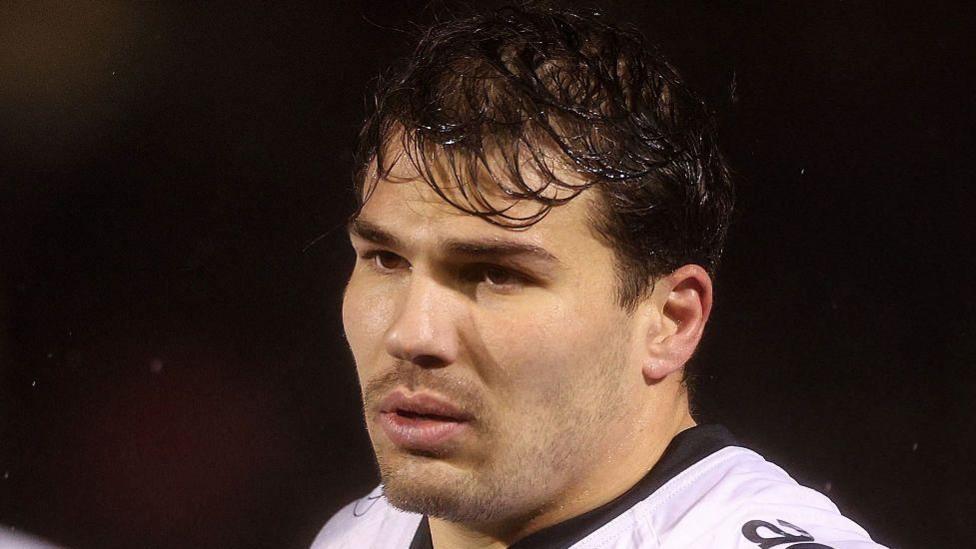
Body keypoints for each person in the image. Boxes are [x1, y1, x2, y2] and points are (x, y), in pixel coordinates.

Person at [311, 4, 886, 548]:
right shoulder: (356, 535)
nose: (411, 334)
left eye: (494, 274)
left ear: (670, 321)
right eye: (387, 260)